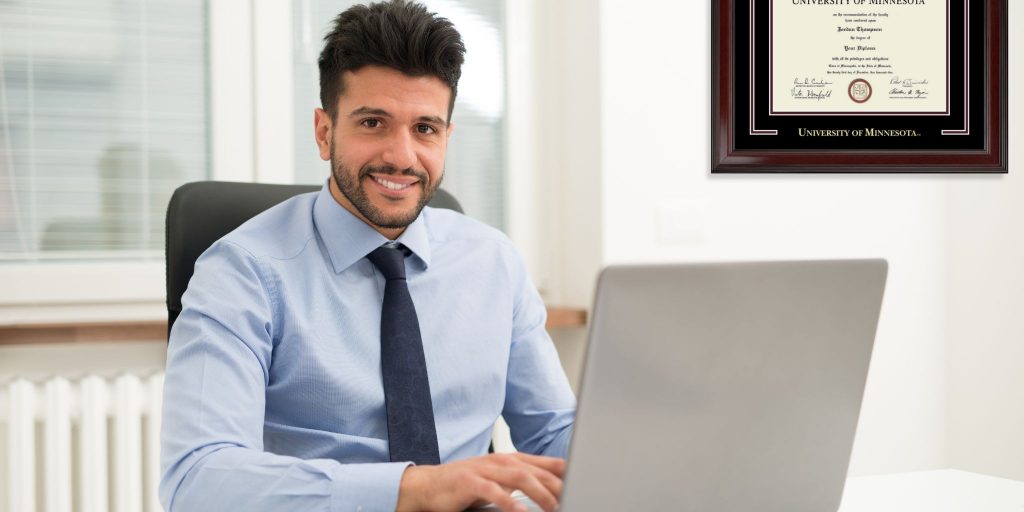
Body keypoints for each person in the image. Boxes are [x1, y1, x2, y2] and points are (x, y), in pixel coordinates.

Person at [159, 1, 576, 511]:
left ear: (446, 136)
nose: (402, 156)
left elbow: (555, 431)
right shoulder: (243, 272)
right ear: (324, 131)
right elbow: (198, 481)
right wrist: (414, 490)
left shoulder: (493, 261)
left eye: (425, 128)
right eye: (374, 122)